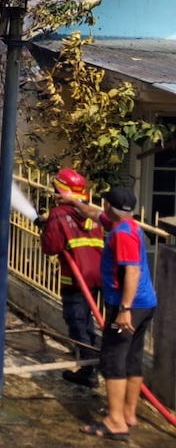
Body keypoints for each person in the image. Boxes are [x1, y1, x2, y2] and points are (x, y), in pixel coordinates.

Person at [61, 186, 157, 442]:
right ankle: (128, 414)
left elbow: (132, 272)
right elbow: (93, 214)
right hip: (146, 303)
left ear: (107, 205)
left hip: (130, 306)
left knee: (113, 359)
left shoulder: (122, 235)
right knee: (132, 359)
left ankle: (115, 422)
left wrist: (124, 310)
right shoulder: (126, 224)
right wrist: (74, 201)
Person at [34, 168, 103, 387]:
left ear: (61, 189)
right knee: (87, 320)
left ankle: (88, 369)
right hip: (96, 276)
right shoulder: (92, 211)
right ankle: (92, 358)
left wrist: (46, 230)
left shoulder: (59, 213)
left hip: (75, 277)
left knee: (76, 322)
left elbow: (51, 247)